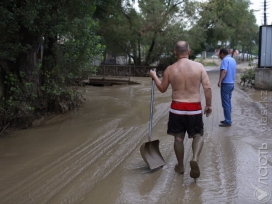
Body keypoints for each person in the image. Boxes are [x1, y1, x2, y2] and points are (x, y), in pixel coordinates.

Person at [149, 41, 212, 179]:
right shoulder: (199, 67)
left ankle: (181, 166)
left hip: (177, 108)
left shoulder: (170, 69)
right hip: (194, 108)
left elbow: (162, 89)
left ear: (175, 52)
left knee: (178, 139)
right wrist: (208, 105)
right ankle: (194, 158)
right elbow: (207, 87)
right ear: (189, 52)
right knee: (198, 135)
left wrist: (154, 76)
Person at [217, 48, 236, 127]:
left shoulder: (225, 60)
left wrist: (220, 81)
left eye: (220, 55)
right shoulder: (232, 60)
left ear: (222, 54)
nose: (220, 57)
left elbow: (224, 71)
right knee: (228, 102)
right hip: (231, 84)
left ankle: (227, 121)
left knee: (225, 103)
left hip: (226, 84)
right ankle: (228, 119)